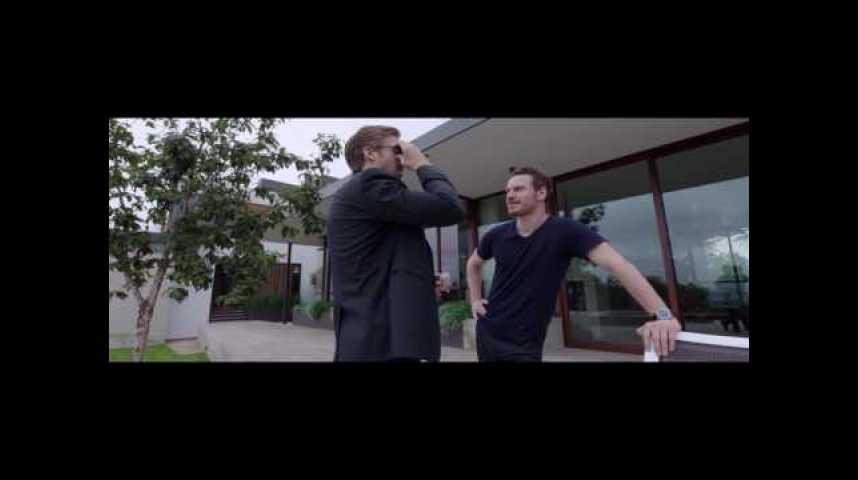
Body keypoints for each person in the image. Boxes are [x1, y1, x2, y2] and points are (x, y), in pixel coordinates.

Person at [466, 167, 681, 362]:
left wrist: (663, 315)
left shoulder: (566, 231)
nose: (510, 195)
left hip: (523, 343)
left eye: (518, 189)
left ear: (541, 193)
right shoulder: (496, 235)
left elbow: (618, 264)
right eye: (508, 191)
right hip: (488, 333)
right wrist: (475, 300)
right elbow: (473, 264)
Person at [327, 126, 464, 362]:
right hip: (381, 342)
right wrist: (421, 163)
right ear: (370, 153)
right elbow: (450, 207)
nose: (402, 158)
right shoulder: (370, 185)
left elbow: (376, 261)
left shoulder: (364, 195)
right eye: (397, 150)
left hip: (370, 341)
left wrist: (418, 280)